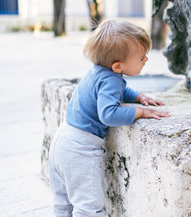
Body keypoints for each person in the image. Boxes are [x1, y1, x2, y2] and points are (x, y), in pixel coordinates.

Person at [48, 19, 170, 216]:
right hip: (80, 151)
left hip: (62, 142)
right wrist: (140, 111)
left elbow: (116, 90)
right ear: (118, 67)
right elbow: (109, 115)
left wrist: (138, 97)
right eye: (141, 58)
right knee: (89, 207)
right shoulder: (111, 80)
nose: (146, 60)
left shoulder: (100, 72)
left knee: (63, 203)